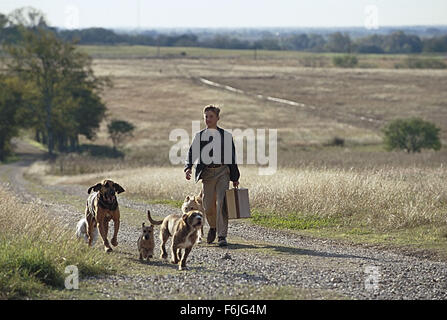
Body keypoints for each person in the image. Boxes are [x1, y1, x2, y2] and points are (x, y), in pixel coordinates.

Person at [184, 105, 240, 247]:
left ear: (217, 118)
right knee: (208, 206)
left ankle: (222, 236)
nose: (208, 119)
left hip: (223, 172)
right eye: (206, 117)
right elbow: (192, 153)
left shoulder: (226, 136)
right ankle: (213, 227)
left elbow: (232, 157)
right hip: (207, 173)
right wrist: (188, 167)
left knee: (221, 203)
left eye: (211, 116)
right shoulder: (200, 136)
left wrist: (235, 177)